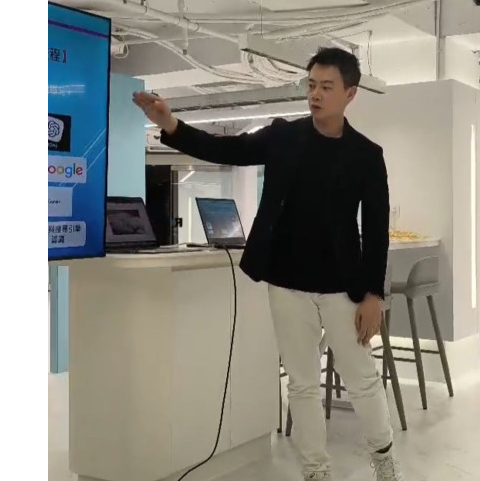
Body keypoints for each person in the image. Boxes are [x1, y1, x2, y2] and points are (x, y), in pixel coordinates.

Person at [133, 47, 404, 481]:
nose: (315, 95)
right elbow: (226, 148)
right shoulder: (283, 137)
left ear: (350, 94)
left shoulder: (366, 155)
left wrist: (374, 294)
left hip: (344, 286)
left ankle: (383, 458)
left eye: (326, 87)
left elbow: (375, 229)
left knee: (362, 379)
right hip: (286, 281)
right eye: (311, 85)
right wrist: (171, 125)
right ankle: (316, 471)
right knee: (302, 384)